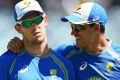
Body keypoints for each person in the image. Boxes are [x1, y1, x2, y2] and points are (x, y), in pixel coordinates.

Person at [7, 2, 120, 80]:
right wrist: (22, 43)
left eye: (78, 28)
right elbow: (41, 54)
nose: (73, 33)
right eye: (72, 27)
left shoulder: (117, 56)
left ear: (96, 27)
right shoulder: (66, 53)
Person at [0, 0, 75, 80]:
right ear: (18, 29)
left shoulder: (65, 65)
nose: (34, 26)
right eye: (27, 22)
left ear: (45, 20)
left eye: (38, 20)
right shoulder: (6, 62)